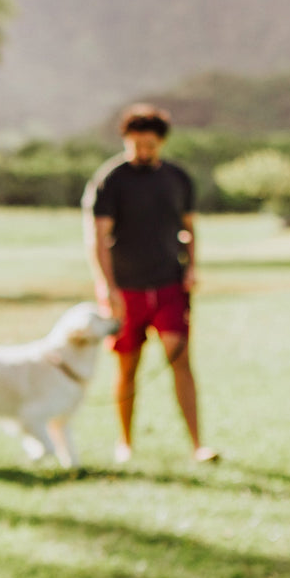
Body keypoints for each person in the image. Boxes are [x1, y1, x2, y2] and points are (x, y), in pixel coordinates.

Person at [82, 103, 218, 464]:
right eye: (135, 145)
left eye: (150, 146)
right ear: (126, 140)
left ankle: (198, 445)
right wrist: (107, 287)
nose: (142, 152)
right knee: (128, 367)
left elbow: (189, 228)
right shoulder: (110, 180)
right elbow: (97, 238)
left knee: (181, 361)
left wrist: (192, 268)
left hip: (169, 285)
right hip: (127, 288)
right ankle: (125, 444)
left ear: (161, 143)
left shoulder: (177, 178)